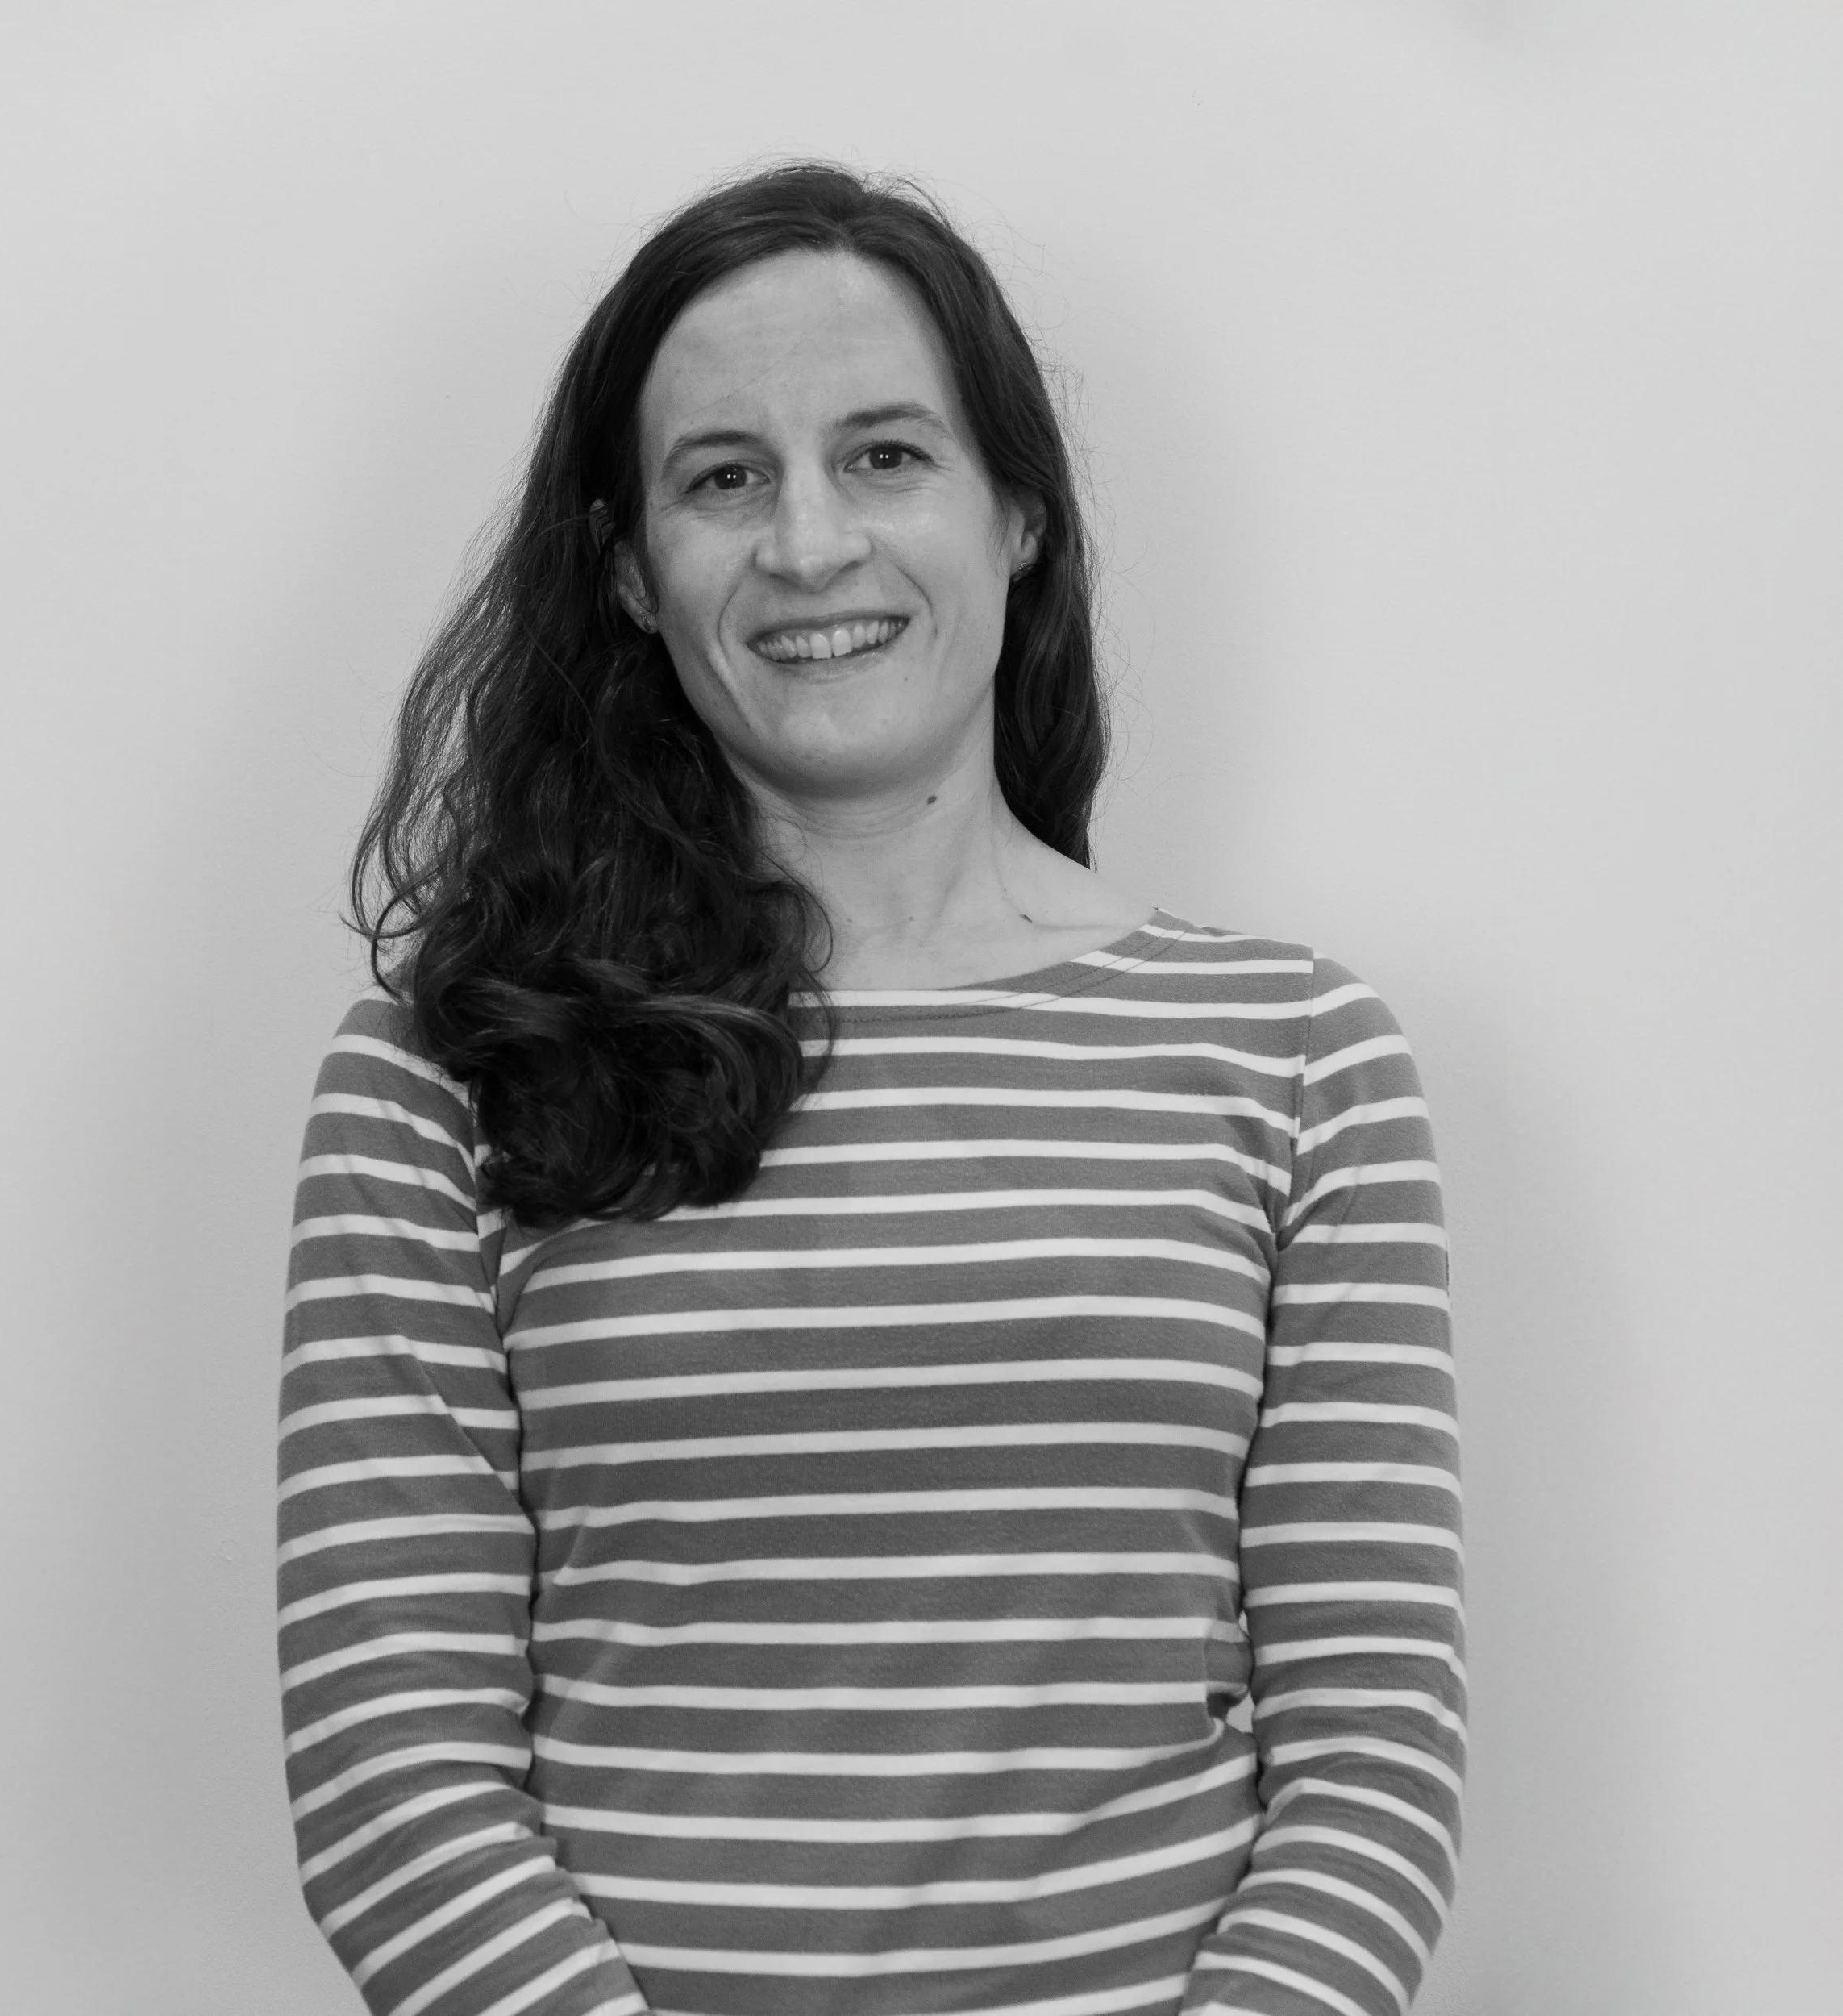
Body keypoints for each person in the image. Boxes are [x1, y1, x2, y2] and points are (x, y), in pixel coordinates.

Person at [278, 162, 1462, 2016]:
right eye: (723, 475)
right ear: (624, 566)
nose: (808, 542)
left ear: (1017, 519)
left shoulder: (1294, 1056)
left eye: (886, 454)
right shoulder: (448, 1068)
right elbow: (386, 1774)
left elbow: (1371, 1749)